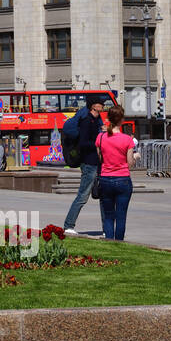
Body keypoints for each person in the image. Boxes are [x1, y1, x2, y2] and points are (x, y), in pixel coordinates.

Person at [62, 95, 107, 236]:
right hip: (89, 164)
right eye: (101, 104)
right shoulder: (87, 121)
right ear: (94, 106)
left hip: (97, 163)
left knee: (103, 196)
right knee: (82, 196)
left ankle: (107, 229)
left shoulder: (96, 120)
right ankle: (68, 225)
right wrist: (98, 142)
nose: (103, 106)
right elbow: (83, 143)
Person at [95, 105, 139, 240]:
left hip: (105, 179)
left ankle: (109, 240)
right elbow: (130, 163)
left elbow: (101, 158)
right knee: (121, 215)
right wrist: (136, 157)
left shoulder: (101, 138)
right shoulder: (127, 139)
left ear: (109, 118)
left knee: (108, 215)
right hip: (122, 179)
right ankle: (119, 242)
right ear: (121, 120)